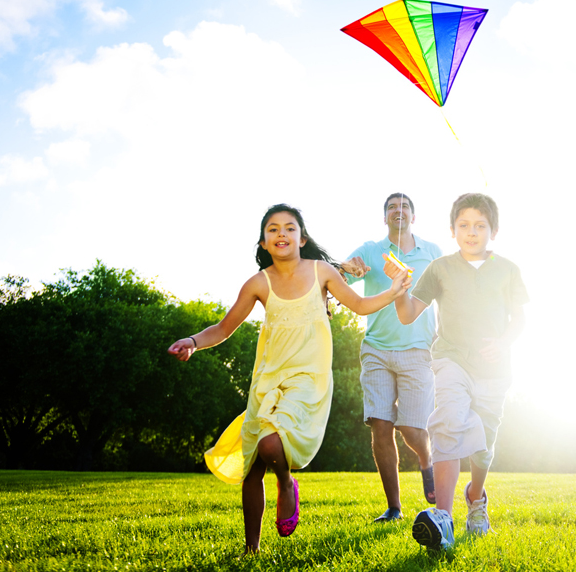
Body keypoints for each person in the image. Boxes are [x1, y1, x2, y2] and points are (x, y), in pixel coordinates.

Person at [167, 203, 410, 553]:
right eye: (273, 229)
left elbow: (358, 305)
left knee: (270, 445)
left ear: (302, 238)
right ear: (264, 243)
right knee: (252, 466)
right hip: (267, 377)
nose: (281, 233)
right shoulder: (258, 283)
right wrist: (193, 342)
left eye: (289, 228)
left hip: (307, 379)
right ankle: (252, 549)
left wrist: (392, 292)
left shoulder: (322, 271)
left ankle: (285, 483)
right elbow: (223, 328)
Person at [388, 192, 528, 551]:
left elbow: (520, 320)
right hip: (451, 358)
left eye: (480, 225)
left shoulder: (509, 269)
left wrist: (503, 342)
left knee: (483, 447)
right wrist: (399, 289)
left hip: (495, 369)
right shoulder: (440, 269)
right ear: (452, 230)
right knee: (448, 421)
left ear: (493, 230)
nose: (472, 231)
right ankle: (443, 519)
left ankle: (476, 498)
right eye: (464, 225)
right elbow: (407, 314)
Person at [341, 193, 443, 523]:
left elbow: (447, 296)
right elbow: (342, 274)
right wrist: (347, 268)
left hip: (418, 351)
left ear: (414, 216)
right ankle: (394, 508)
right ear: (384, 216)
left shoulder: (431, 253)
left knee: (413, 429)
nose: (398, 211)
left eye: (404, 207)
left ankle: (426, 460)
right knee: (381, 426)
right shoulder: (370, 250)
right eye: (391, 207)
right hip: (377, 350)